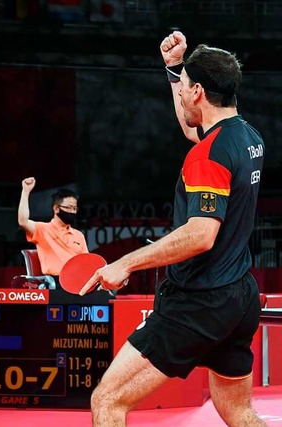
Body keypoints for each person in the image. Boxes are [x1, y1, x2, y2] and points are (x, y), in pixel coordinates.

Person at [79, 31, 265, 426]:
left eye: (183, 87)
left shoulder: (207, 156)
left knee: (107, 402)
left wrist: (126, 263)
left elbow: (201, 234)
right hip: (239, 296)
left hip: (197, 303)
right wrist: (173, 68)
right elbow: (190, 127)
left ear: (198, 91)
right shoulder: (248, 138)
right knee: (238, 412)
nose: (179, 94)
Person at [17, 177, 88, 287]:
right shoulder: (43, 229)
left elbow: (86, 262)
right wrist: (26, 191)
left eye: (75, 208)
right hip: (55, 283)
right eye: (69, 208)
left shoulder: (78, 235)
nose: (72, 212)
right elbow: (23, 221)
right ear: (56, 209)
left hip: (77, 282)